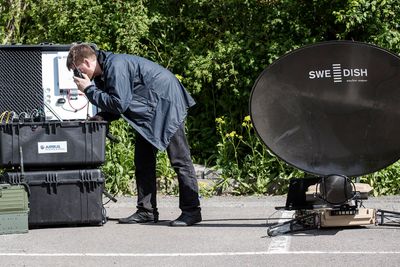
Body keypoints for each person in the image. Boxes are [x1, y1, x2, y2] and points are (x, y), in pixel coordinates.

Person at [66, 43, 201, 226]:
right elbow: (116, 105)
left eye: (77, 70)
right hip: (147, 111)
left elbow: (119, 104)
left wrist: (89, 90)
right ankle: (146, 211)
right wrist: (99, 117)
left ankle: (192, 211)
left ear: (87, 62)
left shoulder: (116, 66)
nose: (76, 76)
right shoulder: (101, 74)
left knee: (180, 160)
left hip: (167, 104)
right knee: (143, 162)